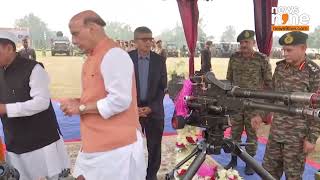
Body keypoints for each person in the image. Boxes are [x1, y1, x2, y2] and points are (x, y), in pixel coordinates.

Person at [61, 10, 146, 180]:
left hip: (116, 148)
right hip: (96, 143)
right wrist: (79, 102)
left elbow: (120, 100)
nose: (74, 41)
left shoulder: (114, 55)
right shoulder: (94, 56)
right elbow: (101, 95)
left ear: (92, 28)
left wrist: (81, 107)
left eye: (75, 34)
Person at [0, 31, 70, 180]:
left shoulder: (34, 68)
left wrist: (6, 108)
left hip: (42, 143)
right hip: (14, 143)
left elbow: (42, 102)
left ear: (9, 48)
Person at [251, 31, 320, 180]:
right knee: (267, 173)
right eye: (284, 49)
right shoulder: (281, 68)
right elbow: (271, 96)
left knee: (293, 176)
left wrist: (312, 137)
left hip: (297, 137)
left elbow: (318, 108)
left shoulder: (314, 72)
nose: (285, 53)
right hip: (276, 132)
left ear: (303, 48)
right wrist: (260, 114)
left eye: (289, 50)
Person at [225, 30, 273, 175]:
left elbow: (269, 83)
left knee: (252, 134)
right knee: (235, 132)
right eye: (241, 43)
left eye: (247, 42)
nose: (244, 45)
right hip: (236, 102)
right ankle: (233, 159)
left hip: (254, 103)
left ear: (253, 43)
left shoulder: (262, 59)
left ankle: (249, 162)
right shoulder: (234, 57)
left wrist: (264, 108)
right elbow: (229, 79)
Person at [128, 26, 167, 180]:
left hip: (154, 111)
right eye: (144, 39)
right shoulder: (126, 59)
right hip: (131, 112)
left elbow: (163, 87)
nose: (148, 42)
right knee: (130, 148)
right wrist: (133, 108)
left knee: (155, 147)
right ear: (135, 41)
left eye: (150, 39)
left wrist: (151, 107)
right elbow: (122, 87)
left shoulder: (159, 60)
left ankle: (151, 176)